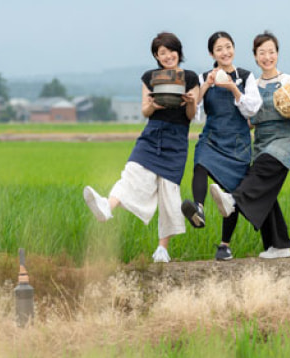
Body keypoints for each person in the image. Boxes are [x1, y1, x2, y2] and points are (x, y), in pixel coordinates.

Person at [82, 31, 207, 263]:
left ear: (178, 52)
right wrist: (154, 105)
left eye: (171, 51)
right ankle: (106, 207)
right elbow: (145, 111)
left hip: (177, 138)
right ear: (156, 57)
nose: (168, 56)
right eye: (162, 53)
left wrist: (191, 102)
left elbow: (191, 116)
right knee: (133, 173)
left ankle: (162, 249)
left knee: (169, 192)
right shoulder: (149, 77)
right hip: (153, 133)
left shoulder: (190, 78)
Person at [207, 31, 290, 259]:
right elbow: (249, 120)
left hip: (283, 143)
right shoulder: (252, 85)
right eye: (262, 53)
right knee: (266, 194)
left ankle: (233, 200)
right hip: (262, 143)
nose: (268, 57)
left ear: (277, 54)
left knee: (261, 173)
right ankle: (279, 245)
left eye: (271, 52)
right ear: (255, 57)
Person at [181, 31, 262, 261]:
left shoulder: (245, 76)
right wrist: (206, 86)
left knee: (230, 195)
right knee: (200, 164)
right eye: (219, 49)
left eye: (228, 47)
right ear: (212, 54)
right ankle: (198, 208)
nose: (225, 52)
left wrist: (233, 89)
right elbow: (195, 113)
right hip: (212, 136)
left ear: (234, 48)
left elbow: (252, 109)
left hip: (237, 142)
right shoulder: (203, 77)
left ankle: (224, 245)